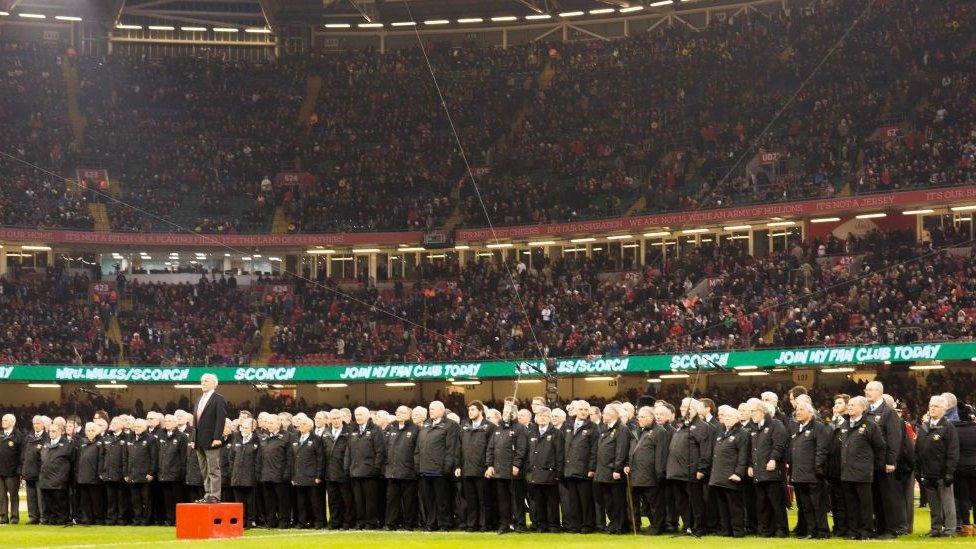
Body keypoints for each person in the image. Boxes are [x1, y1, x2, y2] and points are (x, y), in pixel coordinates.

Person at [864, 381, 906, 538]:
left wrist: (891, 461)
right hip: (870, 463)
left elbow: (894, 439)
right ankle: (880, 528)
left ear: (880, 392)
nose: (867, 392)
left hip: (884, 463)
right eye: (866, 389)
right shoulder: (867, 411)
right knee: (876, 497)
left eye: (871, 390)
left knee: (888, 497)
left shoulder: (889, 413)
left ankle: (891, 529)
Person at [841, 396, 886, 540]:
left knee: (865, 504)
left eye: (853, 405)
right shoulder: (845, 424)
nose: (850, 407)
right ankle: (853, 531)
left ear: (863, 408)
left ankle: (866, 530)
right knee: (851, 504)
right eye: (849, 405)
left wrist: (875, 467)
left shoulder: (870, 425)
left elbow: (880, 447)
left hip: (863, 472)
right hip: (847, 471)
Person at [916, 395, 960, 537]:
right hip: (927, 472)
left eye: (936, 406)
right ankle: (935, 528)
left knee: (947, 504)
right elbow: (918, 450)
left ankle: (949, 529)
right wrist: (918, 469)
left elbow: (953, 451)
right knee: (933, 504)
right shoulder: (924, 427)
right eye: (931, 406)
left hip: (942, 472)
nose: (932, 408)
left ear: (944, 409)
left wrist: (949, 472)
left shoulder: (948, 427)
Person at [788, 400, 830, 538]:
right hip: (799, 475)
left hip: (813, 475)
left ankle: (822, 532)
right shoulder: (796, 428)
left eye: (801, 410)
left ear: (810, 413)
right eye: (797, 410)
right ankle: (811, 531)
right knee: (805, 506)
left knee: (817, 505)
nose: (797, 412)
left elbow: (822, 449)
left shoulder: (818, 427)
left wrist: (817, 468)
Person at [747, 398, 789, 537]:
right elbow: (750, 450)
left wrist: (773, 459)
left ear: (762, 411)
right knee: (762, 503)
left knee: (776, 503)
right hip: (758, 472)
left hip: (773, 473)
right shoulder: (753, 428)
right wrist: (750, 465)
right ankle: (765, 530)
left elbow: (779, 444)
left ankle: (781, 529)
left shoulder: (776, 424)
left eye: (753, 411)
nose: (751, 414)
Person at [486, 397, 528, 534]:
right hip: (499, 471)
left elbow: (522, 449)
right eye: (504, 412)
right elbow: (490, 449)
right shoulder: (497, 429)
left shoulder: (520, 428)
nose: (506, 414)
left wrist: (516, 465)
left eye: (508, 412)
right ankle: (504, 524)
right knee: (502, 500)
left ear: (514, 414)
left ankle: (520, 524)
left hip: (514, 471)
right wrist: (489, 465)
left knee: (517, 500)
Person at [415, 400, 458, 531]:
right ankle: (431, 523)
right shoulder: (426, 425)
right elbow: (418, 448)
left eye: (433, 409)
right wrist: (418, 466)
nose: (430, 411)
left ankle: (444, 524)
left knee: (442, 500)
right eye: (430, 408)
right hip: (424, 469)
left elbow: (451, 448)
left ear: (442, 410)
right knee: (429, 500)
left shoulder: (451, 425)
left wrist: (447, 467)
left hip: (440, 470)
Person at [626, 405, 669, 534]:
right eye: (639, 416)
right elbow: (632, 451)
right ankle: (640, 525)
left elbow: (661, 454)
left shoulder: (659, 431)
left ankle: (658, 527)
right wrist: (628, 464)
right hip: (636, 474)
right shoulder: (638, 431)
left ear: (652, 417)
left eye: (643, 416)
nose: (640, 419)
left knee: (655, 504)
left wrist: (659, 473)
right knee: (642, 504)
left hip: (651, 475)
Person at [709, 405, 748, 537]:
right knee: (722, 506)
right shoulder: (721, 432)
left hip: (732, 476)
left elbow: (743, 456)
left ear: (737, 418)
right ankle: (726, 530)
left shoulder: (742, 433)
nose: (727, 419)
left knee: (735, 506)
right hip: (719, 476)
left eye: (730, 416)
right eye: (725, 416)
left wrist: (738, 473)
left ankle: (738, 531)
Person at [561, 399, 598, 534]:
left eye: (586, 409)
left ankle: (587, 525)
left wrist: (592, 468)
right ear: (575, 410)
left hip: (584, 470)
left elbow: (594, 450)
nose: (583, 412)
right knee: (573, 501)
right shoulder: (567, 425)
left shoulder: (593, 427)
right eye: (581, 409)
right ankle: (575, 525)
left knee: (586, 500)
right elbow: (563, 447)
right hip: (569, 469)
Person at [456, 400, 494, 532]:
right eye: (469, 410)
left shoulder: (489, 427)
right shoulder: (464, 426)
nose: (470, 412)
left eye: (473, 409)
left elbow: (491, 448)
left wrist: (489, 465)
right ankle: (472, 524)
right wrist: (458, 466)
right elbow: (459, 448)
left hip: (482, 469)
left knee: (483, 500)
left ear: (480, 410)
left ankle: (484, 524)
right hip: (467, 469)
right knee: (470, 500)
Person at [346, 406, 385, 529]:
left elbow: (380, 451)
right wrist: (347, 467)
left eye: (360, 415)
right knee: (358, 500)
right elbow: (348, 450)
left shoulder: (376, 430)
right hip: (355, 471)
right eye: (356, 415)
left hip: (370, 472)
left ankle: (371, 522)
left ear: (368, 416)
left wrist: (376, 468)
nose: (358, 417)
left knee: (371, 500)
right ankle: (360, 522)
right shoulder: (353, 430)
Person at [526, 406, 563, 533]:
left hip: (550, 473)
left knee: (552, 502)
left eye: (546, 416)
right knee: (538, 502)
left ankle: (553, 525)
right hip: (535, 474)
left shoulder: (556, 433)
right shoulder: (531, 432)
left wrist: (558, 472)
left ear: (550, 419)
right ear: (536, 418)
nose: (542, 418)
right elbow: (527, 453)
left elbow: (559, 454)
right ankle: (542, 525)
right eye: (540, 416)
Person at [193, 373, 228, 503]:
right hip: (199, 440)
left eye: (206, 381)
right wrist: (193, 439)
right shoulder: (198, 399)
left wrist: (217, 437)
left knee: (213, 469)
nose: (203, 383)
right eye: (202, 381)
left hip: (212, 439)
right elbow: (195, 421)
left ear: (214, 383)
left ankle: (215, 495)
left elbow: (220, 419)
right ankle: (208, 494)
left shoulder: (219, 399)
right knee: (204, 469)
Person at [384, 405, 419, 530]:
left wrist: (415, 468)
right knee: (392, 500)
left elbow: (417, 450)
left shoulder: (415, 429)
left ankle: (408, 524)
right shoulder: (391, 427)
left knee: (409, 501)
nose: (399, 414)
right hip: (392, 472)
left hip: (408, 472)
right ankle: (391, 524)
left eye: (402, 412)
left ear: (409, 415)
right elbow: (385, 448)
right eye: (398, 412)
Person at [291, 415, 325, 529]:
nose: (301, 425)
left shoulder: (316, 439)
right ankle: (302, 522)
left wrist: (319, 475)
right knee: (301, 502)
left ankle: (318, 522)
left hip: (312, 476)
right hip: (299, 476)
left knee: (315, 501)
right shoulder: (295, 438)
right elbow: (292, 458)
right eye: (300, 423)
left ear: (310, 426)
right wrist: (293, 476)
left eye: (304, 423)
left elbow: (320, 458)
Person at [258, 414, 292, 529]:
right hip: (266, 474)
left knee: (283, 500)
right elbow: (259, 457)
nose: (269, 425)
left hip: (280, 475)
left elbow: (289, 458)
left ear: (278, 423)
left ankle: (284, 521)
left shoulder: (287, 436)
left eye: (271, 423)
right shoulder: (264, 437)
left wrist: (287, 474)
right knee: (269, 500)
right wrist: (259, 473)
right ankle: (271, 521)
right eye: (268, 423)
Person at [39, 422, 74, 526]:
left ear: (60, 432)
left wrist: (63, 476)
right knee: (48, 502)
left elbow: (71, 461)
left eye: (54, 431)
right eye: (50, 431)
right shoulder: (46, 444)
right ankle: (50, 518)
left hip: (59, 479)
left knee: (60, 502)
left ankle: (62, 518)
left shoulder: (66, 444)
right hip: (45, 478)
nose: (51, 433)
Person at [323, 409, 353, 529]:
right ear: (330, 420)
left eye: (338, 418)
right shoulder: (326, 433)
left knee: (346, 500)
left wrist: (347, 469)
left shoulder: (349, 432)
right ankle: (334, 522)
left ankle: (347, 522)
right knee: (333, 500)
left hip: (344, 471)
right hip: (330, 472)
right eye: (333, 418)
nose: (336, 421)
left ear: (342, 419)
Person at [125, 418, 158, 526]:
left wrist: (151, 472)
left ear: (144, 427)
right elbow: (126, 457)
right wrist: (126, 473)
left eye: (138, 426)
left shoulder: (151, 439)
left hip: (145, 475)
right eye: (135, 426)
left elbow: (154, 457)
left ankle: (146, 520)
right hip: (132, 474)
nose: (136, 428)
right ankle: (137, 519)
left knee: (146, 499)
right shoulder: (130, 438)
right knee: (135, 500)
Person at [229, 417, 261, 528]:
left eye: (246, 427)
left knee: (250, 501)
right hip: (237, 476)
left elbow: (258, 460)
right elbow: (231, 458)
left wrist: (256, 475)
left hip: (250, 476)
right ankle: (240, 521)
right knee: (239, 501)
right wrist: (233, 472)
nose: (243, 429)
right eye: (242, 427)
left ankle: (250, 521)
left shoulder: (257, 441)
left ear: (252, 429)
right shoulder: (237, 439)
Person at [156, 414, 187, 526]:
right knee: (167, 499)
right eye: (166, 421)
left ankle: (179, 519)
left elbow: (184, 456)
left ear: (175, 423)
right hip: (164, 473)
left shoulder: (182, 437)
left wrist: (181, 472)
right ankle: (170, 519)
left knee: (178, 498)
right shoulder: (161, 436)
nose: (167, 423)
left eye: (170, 421)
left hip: (176, 473)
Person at [75, 422, 105, 525]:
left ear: (97, 431)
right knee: (85, 500)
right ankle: (86, 518)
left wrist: (100, 473)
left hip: (94, 476)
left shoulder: (100, 443)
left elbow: (101, 459)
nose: (90, 432)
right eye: (88, 430)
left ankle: (98, 519)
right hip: (83, 476)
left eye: (92, 430)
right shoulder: (83, 443)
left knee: (96, 500)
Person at [100, 416, 127, 525]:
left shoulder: (126, 438)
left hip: (120, 473)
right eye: (112, 422)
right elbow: (102, 456)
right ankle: (111, 518)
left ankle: (121, 518)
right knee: (110, 498)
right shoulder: (106, 438)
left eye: (116, 423)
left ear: (122, 425)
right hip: (108, 472)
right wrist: (101, 471)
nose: (113, 424)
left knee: (121, 498)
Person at [22, 415, 49, 524]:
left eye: (38, 423)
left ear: (43, 425)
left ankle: (43, 517)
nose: (36, 426)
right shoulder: (29, 437)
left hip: (40, 472)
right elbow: (24, 455)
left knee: (40, 497)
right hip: (29, 471)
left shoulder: (46, 438)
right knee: (31, 497)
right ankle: (33, 517)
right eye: (34, 424)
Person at [0, 414, 22, 524]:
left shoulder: (18, 436)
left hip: (12, 472)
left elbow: (21, 455)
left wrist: (19, 470)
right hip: (0, 471)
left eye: (5, 420)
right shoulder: (0, 435)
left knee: (13, 495)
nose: (2, 421)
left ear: (12, 422)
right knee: (1, 496)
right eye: (2, 420)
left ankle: (14, 517)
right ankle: (3, 517)